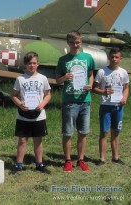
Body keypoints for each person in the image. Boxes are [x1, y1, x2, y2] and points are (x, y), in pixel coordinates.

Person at [55, 31, 96, 172]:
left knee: (83, 132)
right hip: (69, 101)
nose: (75, 44)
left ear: (81, 41)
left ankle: (81, 160)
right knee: (67, 133)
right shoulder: (63, 60)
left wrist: (91, 85)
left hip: (85, 100)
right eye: (72, 42)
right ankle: (67, 160)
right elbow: (57, 80)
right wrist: (64, 77)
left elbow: (91, 74)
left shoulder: (88, 57)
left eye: (77, 42)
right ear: (68, 43)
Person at [11, 52, 51, 174]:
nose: (32, 66)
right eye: (29, 63)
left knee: (38, 140)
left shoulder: (43, 78)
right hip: (23, 115)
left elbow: (48, 94)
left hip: (38, 115)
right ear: (25, 65)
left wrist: (42, 104)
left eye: (34, 63)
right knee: (22, 140)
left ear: (37, 64)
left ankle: (39, 164)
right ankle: (19, 165)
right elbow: (14, 95)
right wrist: (20, 104)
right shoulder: (20, 79)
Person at [93, 47, 129, 166]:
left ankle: (116, 157)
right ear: (108, 58)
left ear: (120, 59)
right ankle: (102, 158)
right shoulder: (102, 71)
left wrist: (124, 98)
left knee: (116, 132)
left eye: (116, 57)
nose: (114, 59)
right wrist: (103, 92)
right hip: (105, 106)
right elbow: (95, 88)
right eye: (112, 57)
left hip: (118, 106)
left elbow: (126, 88)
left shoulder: (123, 72)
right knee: (104, 132)